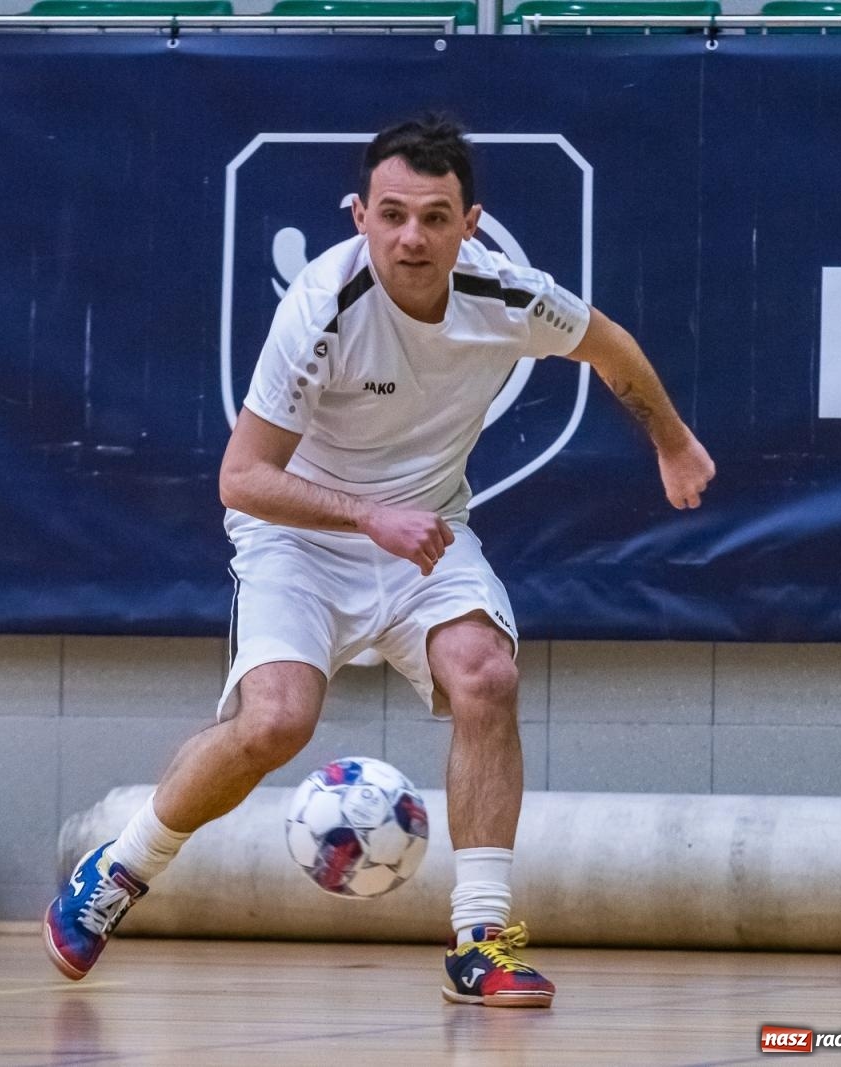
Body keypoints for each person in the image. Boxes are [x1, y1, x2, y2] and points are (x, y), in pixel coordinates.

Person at [45, 115, 716, 1008]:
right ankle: (120, 869)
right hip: (298, 540)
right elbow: (241, 478)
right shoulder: (321, 308)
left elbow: (610, 346)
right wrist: (367, 515)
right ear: (359, 214)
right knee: (276, 723)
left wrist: (672, 443)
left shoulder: (509, 295)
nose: (411, 236)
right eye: (392, 213)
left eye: (435, 217)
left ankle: (482, 941)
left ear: (469, 224)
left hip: (424, 533)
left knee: (487, 676)